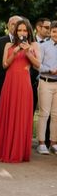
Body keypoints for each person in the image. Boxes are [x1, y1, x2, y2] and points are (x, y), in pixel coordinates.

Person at [0, 18, 40, 163]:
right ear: (15, 31)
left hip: (24, 84)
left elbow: (38, 65)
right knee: (8, 113)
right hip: (9, 83)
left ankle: (19, 151)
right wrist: (16, 51)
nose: (22, 33)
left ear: (29, 31)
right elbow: (5, 65)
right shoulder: (8, 45)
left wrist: (28, 52)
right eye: (19, 30)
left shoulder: (34, 45)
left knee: (21, 115)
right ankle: (5, 149)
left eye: (25, 30)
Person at [0, 15, 22, 142]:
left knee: (17, 114)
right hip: (1, 84)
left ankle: (14, 141)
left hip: (20, 83)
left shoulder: (28, 43)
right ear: (8, 25)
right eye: (12, 24)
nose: (15, 26)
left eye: (17, 24)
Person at [36, 21, 57, 154]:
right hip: (46, 81)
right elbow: (37, 65)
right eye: (54, 31)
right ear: (50, 32)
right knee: (44, 114)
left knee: (56, 115)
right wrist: (50, 70)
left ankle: (53, 142)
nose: (56, 34)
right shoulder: (42, 46)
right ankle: (41, 143)